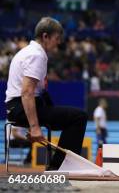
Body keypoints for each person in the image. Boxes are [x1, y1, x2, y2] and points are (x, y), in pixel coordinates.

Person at [4, 17, 88, 171]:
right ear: (45, 36)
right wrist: (35, 126)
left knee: (70, 116)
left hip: (18, 107)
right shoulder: (36, 55)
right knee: (79, 117)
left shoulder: (30, 52)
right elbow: (27, 92)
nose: (59, 42)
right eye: (57, 38)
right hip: (20, 108)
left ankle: (58, 166)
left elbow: (37, 93)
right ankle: (59, 168)